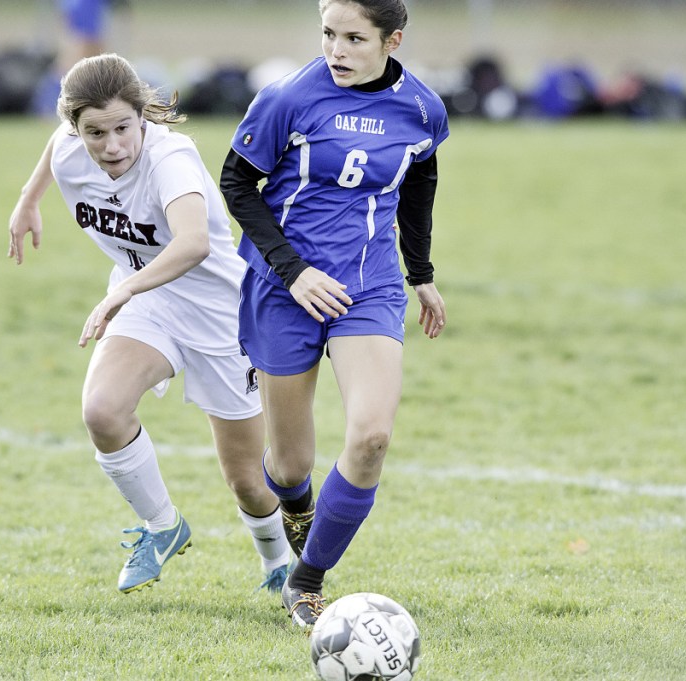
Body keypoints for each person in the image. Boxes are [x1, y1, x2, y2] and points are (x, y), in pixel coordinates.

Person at [8, 53, 293, 595]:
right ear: (76, 127)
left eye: (122, 127)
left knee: (247, 480)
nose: (112, 145)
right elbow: (55, 148)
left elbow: (193, 243)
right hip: (148, 301)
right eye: (95, 132)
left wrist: (126, 289)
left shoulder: (171, 161)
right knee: (102, 410)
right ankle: (163, 526)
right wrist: (28, 202)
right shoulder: (72, 146)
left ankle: (279, 562)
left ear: (143, 116)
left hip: (219, 315)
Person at [219, 0, 449, 627]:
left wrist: (420, 274)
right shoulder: (287, 98)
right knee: (290, 467)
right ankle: (297, 514)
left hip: (368, 285)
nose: (336, 50)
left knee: (371, 435)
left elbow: (419, 182)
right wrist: (294, 272)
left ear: (391, 41)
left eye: (353, 38)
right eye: (328, 34)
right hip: (284, 286)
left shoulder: (424, 108)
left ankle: (307, 580)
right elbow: (237, 184)